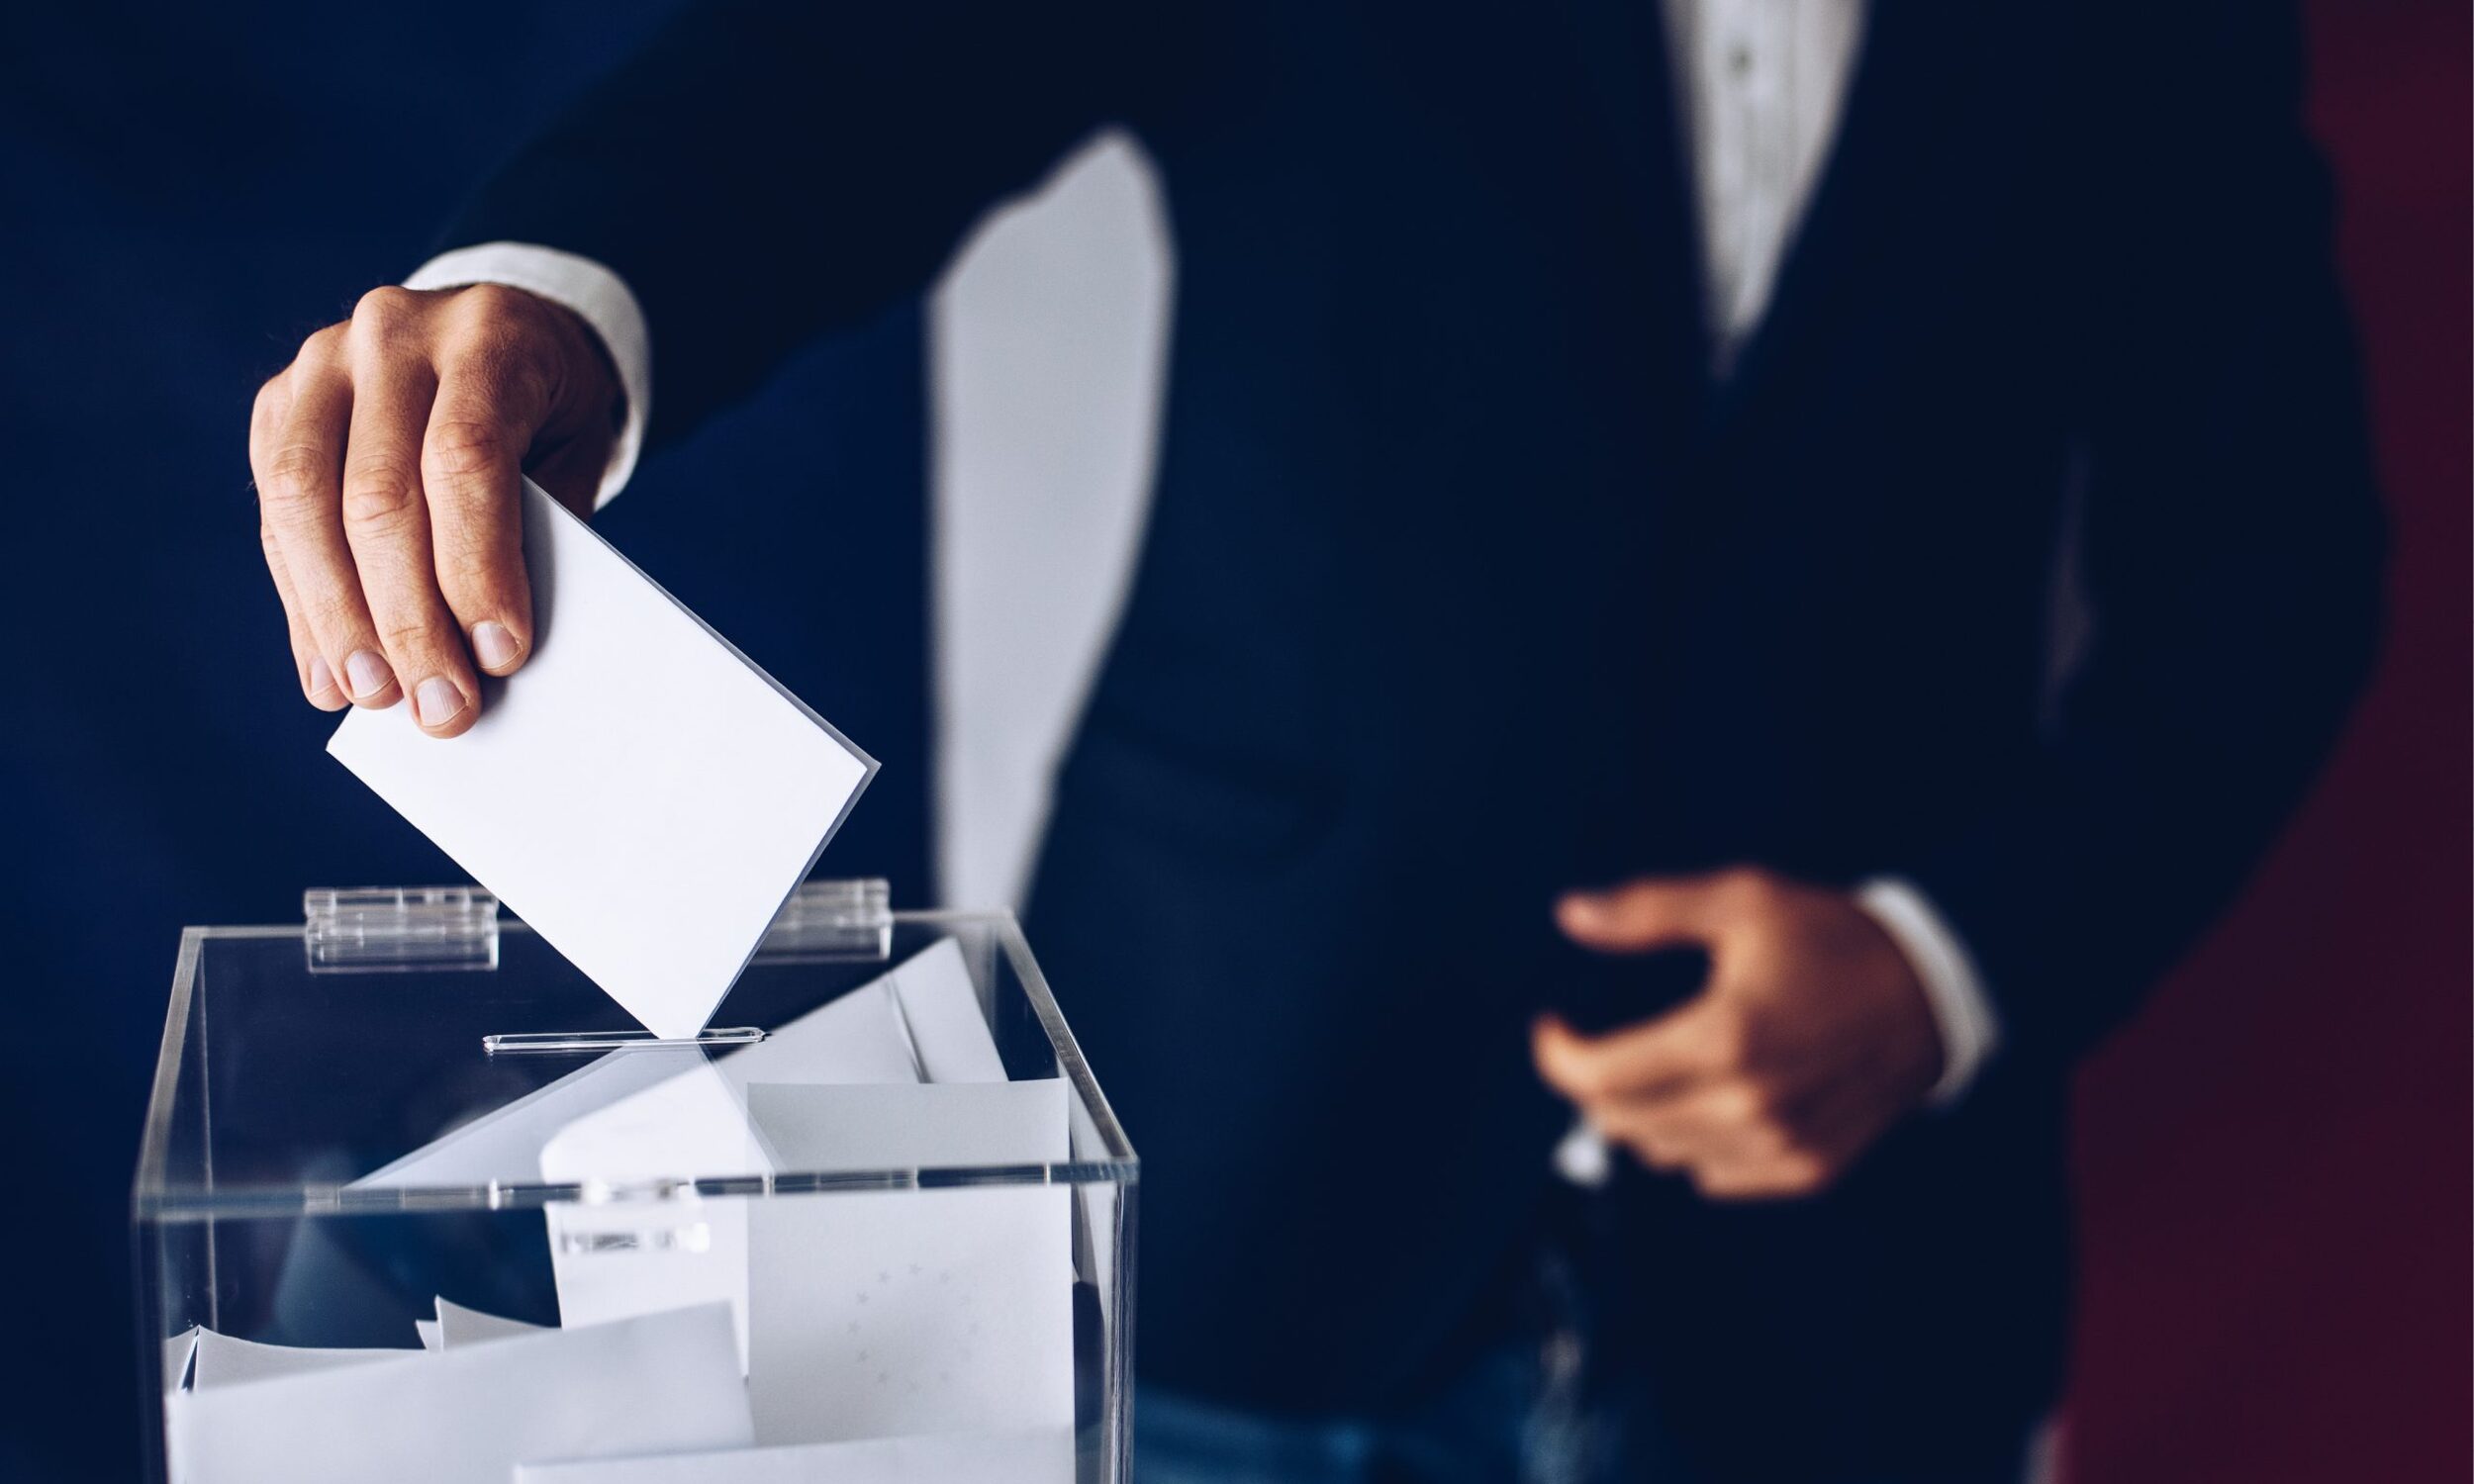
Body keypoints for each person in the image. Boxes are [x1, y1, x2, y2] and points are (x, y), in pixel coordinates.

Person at [244, 1, 2384, 1478]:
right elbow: (850, 76)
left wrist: (1940, 969)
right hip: (1229, 1178)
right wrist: (554, 292)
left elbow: (2269, 580)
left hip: (1851, 1298)